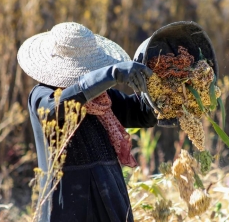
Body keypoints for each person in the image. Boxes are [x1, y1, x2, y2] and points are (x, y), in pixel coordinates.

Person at [17, 22, 157, 222]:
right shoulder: (42, 95)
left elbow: (143, 115)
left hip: (109, 200)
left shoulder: (103, 97)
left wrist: (162, 91)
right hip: (66, 204)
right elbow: (55, 109)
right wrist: (111, 74)